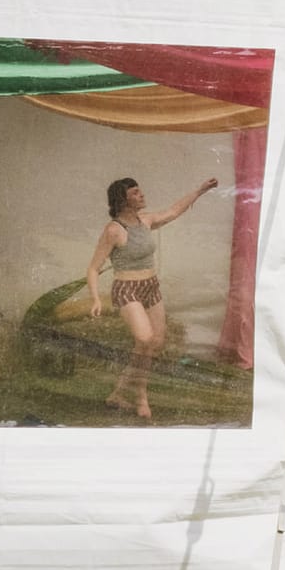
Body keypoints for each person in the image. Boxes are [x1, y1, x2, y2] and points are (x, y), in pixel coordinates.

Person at [83, 175, 218, 420]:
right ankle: (141, 395)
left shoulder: (146, 220)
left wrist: (200, 191)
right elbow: (93, 268)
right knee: (144, 339)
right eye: (135, 193)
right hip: (128, 289)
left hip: (151, 287)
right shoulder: (114, 230)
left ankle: (119, 392)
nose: (142, 195)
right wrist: (95, 299)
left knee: (154, 343)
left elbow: (174, 211)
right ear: (122, 201)